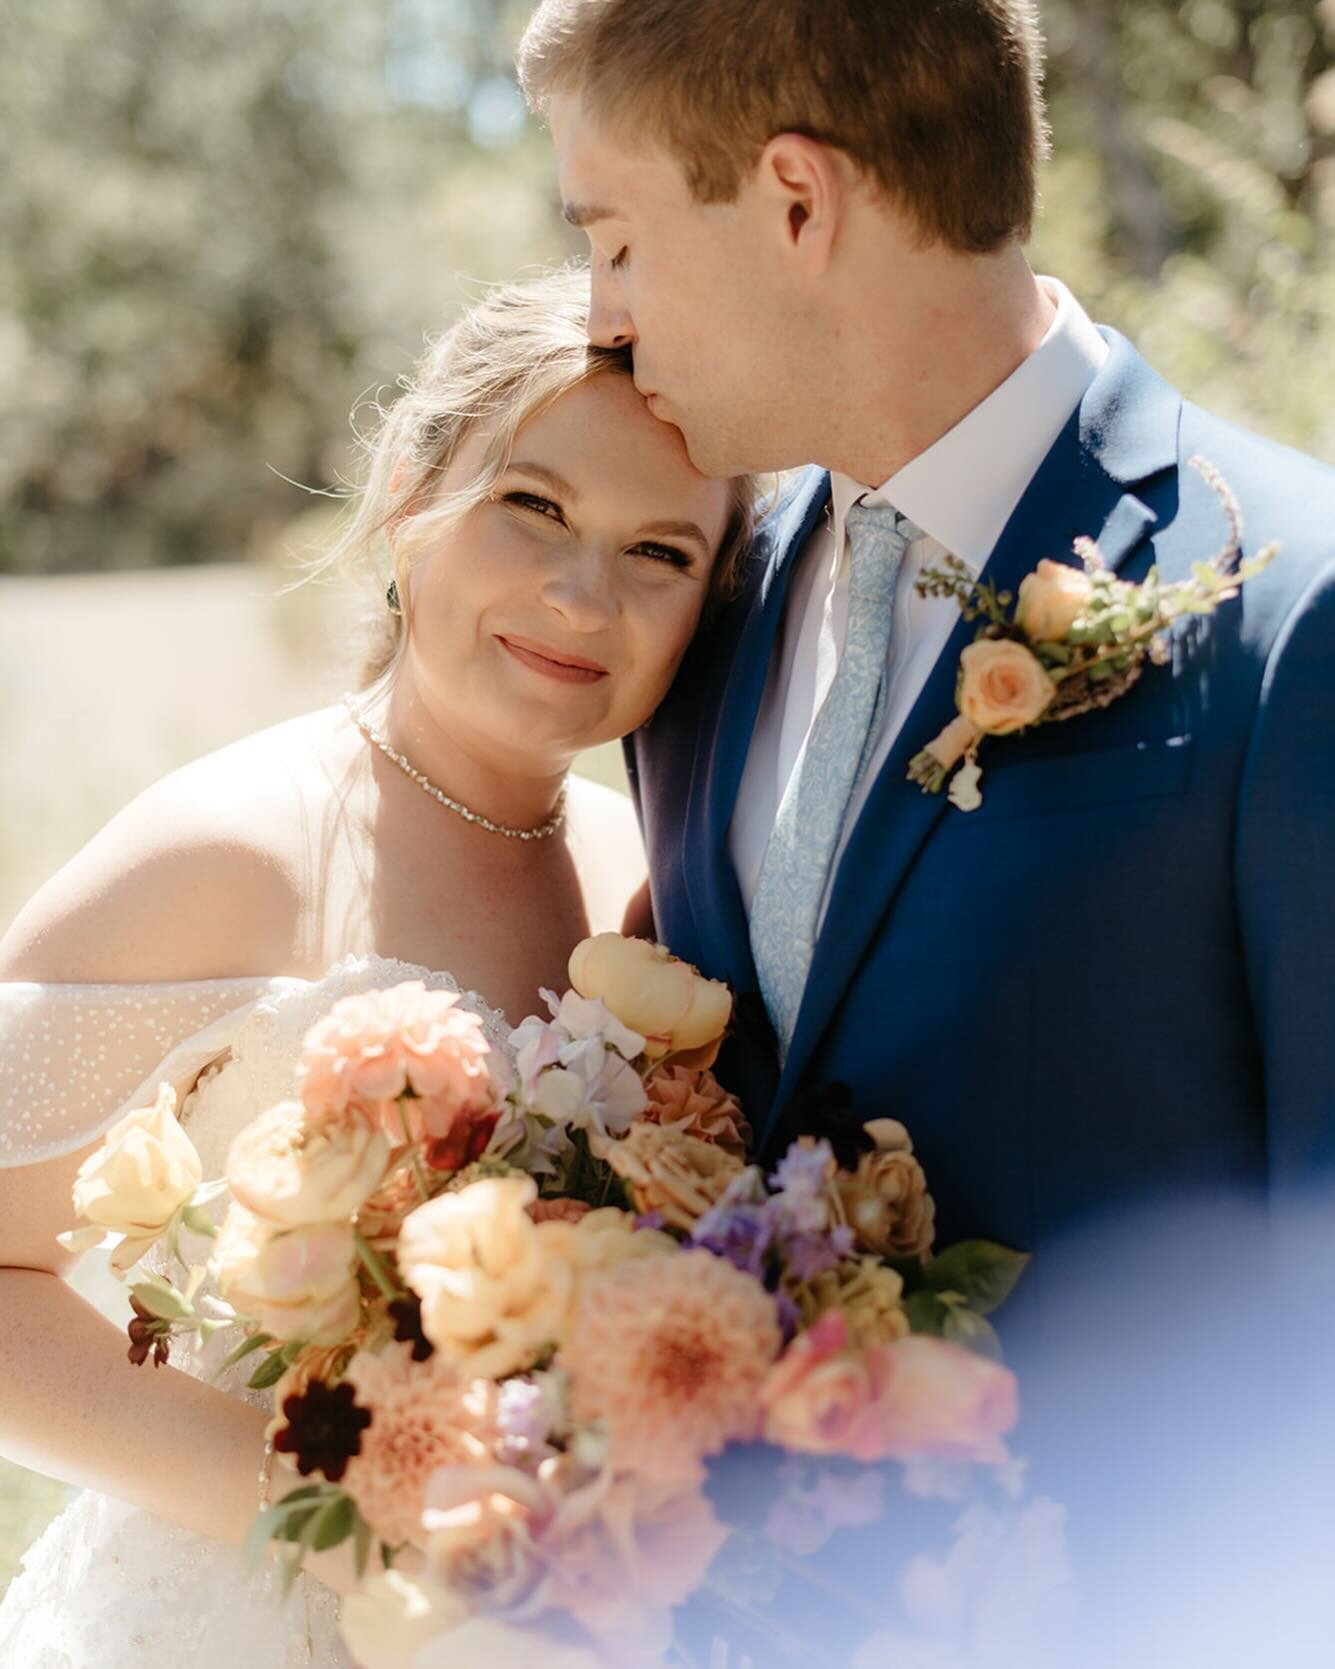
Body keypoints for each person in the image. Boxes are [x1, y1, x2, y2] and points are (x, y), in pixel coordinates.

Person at [0, 267, 751, 1666]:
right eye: (533, 506)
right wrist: (338, 1503)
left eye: (661, 553)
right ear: (411, 498)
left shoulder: (656, 890)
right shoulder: (234, 848)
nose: (583, 594)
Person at [517, 0, 1335, 1276]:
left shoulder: (1290, 600)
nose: (603, 316)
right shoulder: (697, 602)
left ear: (796, 200)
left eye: (617, 242)